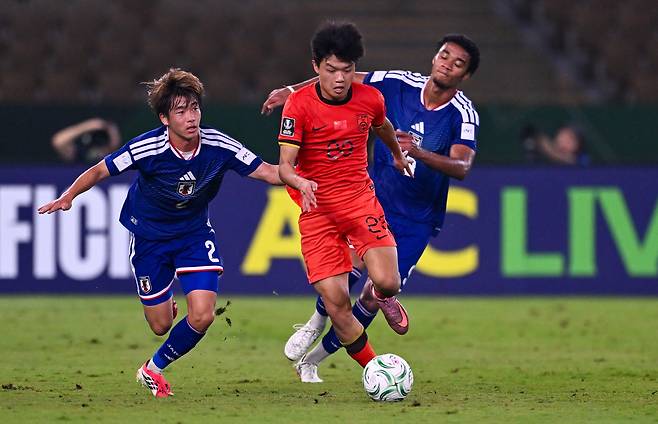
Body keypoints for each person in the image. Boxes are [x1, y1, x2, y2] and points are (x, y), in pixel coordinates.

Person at [38, 69, 282, 397]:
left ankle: (152, 368)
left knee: (203, 315)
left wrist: (309, 172)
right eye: (181, 111)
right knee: (160, 325)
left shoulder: (218, 144)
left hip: (193, 235)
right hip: (149, 238)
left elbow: (269, 173)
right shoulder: (147, 147)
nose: (191, 117)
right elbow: (100, 169)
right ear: (165, 119)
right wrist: (69, 196)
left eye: (194, 108)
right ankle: (165, 306)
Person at [263, 33, 480, 382]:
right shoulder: (398, 83)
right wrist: (290, 91)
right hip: (371, 199)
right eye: (444, 55)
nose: (447, 65)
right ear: (434, 56)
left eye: (458, 64)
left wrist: (417, 153)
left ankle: (313, 359)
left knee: (373, 293)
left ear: (465, 75)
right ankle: (315, 322)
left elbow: (462, 166)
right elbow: (343, 76)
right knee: (343, 275)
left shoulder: (462, 113)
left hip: (417, 218)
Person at [276, 21, 413, 383]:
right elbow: (285, 166)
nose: (339, 79)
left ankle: (382, 298)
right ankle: (376, 370)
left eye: (347, 70)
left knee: (388, 282)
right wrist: (300, 181)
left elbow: (382, 125)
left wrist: (397, 155)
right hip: (317, 209)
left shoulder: (370, 98)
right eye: (331, 69)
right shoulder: (298, 105)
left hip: (359, 201)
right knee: (337, 303)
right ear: (316, 66)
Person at [52, 117, 122, 163]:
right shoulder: (80, 150)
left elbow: (114, 146)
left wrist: (109, 128)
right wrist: (88, 126)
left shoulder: (109, 155)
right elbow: (58, 141)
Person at [521, 124, 589, 166]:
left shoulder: (583, 158)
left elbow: (572, 161)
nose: (565, 140)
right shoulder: (538, 153)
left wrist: (546, 146)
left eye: (571, 139)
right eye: (564, 135)